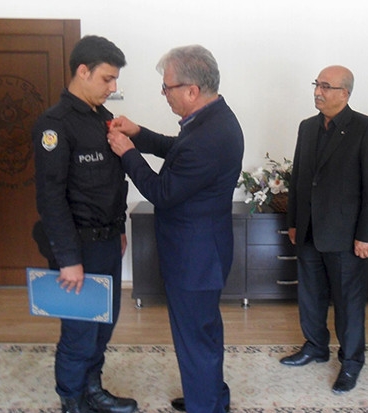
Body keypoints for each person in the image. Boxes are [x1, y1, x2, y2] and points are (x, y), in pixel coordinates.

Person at [107, 45, 244, 413]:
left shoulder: (209, 135)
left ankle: (205, 405)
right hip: (203, 251)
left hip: (195, 258)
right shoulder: (212, 118)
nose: (164, 93)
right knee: (203, 331)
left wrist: (127, 152)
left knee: (195, 337)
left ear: (191, 90)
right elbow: (176, 149)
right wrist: (138, 134)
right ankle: (211, 395)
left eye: (167, 87)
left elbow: (162, 193)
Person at [31, 35, 137, 413]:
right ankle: (72, 399)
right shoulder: (54, 125)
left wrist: (119, 229)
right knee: (79, 330)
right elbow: (51, 198)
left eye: (115, 79)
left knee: (104, 323)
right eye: (108, 78)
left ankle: (93, 389)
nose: (113, 86)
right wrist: (68, 259)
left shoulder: (104, 120)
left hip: (107, 242)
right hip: (77, 247)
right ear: (83, 71)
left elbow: (111, 183)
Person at [279, 65, 368, 394]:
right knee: (310, 295)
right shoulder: (307, 127)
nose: (318, 91)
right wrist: (294, 222)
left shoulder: (367, 129)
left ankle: (351, 362)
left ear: (345, 93)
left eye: (326, 86)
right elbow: (299, 178)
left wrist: (366, 234)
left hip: (346, 235)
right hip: (309, 230)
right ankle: (315, 346)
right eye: (317, 84)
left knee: (348, 304)